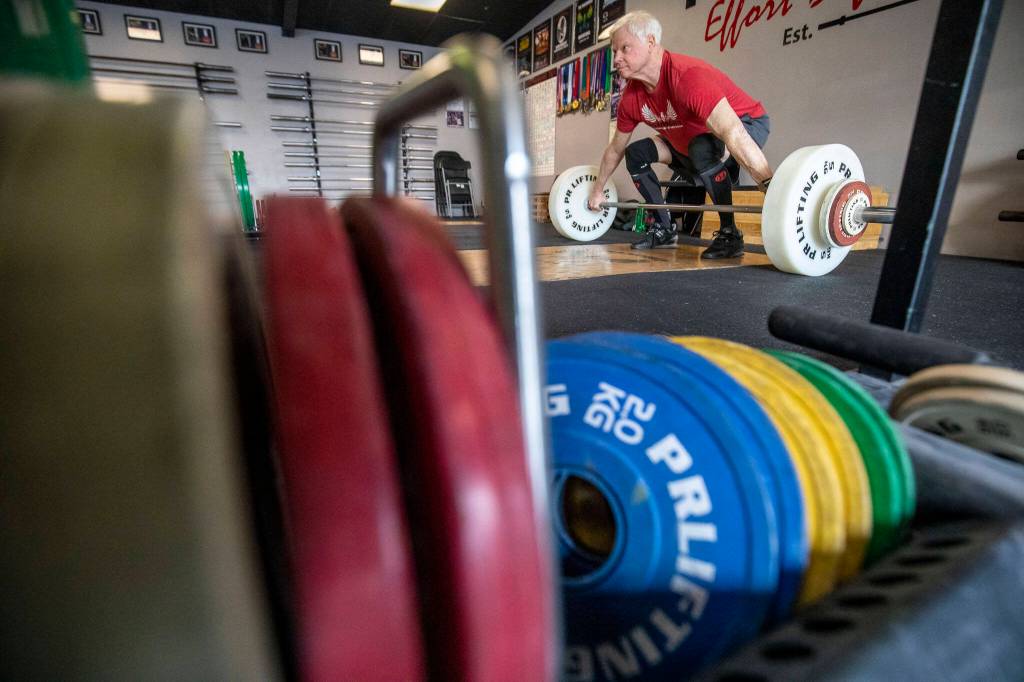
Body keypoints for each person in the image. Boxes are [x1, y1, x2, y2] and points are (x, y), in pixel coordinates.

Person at [587, 11, 773, 256]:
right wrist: (598, 190)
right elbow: (615, 149)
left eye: (624, 48)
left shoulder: (687, 77)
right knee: (636, 153)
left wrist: (770, 187)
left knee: (702, 148)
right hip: (689, 138)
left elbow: (733, 132)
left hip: (746, 123)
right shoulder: (631, 98)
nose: (617, 59)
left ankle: (730, 234)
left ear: (650, 42)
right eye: (615, 52)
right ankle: (665, 229)